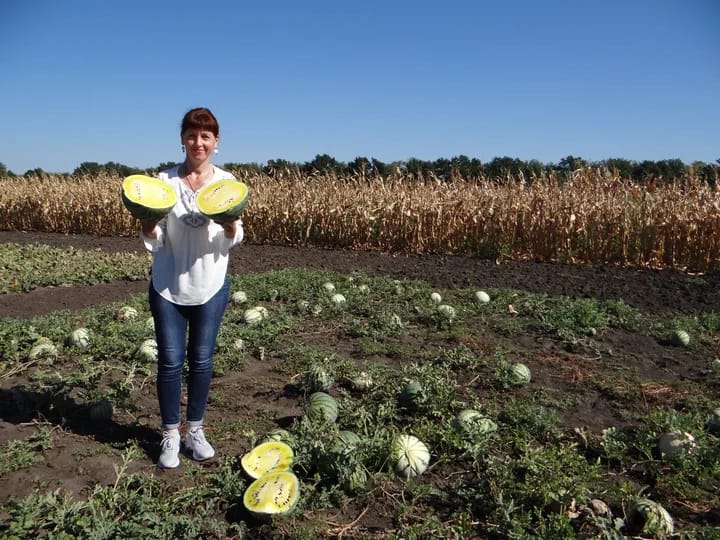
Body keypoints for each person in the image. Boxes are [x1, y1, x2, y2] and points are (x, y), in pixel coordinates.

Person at [139, 107, 244, 469]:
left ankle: (195, 431)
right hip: (168, 285)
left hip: (211, 285)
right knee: (170, 362)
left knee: (201, 361)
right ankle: (170, 434)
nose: (198, 142)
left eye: (206, 136)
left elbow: (234, 236)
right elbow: (156, 238)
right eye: (191, 135)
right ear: (182, 139)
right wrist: (149, 224)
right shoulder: (163, 182)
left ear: (216, 142)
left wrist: (230, 225)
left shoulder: (227, 183)